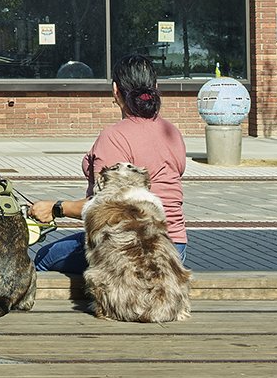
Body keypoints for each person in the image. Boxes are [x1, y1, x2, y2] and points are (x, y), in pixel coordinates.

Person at [26, 56, 189, 276]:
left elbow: (104, 207)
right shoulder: (172, 133)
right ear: (156, 88)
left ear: (115, 90)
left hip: (130, 248)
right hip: (175, 247)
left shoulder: (114, 137)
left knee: (44, 258)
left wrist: (55, 208)